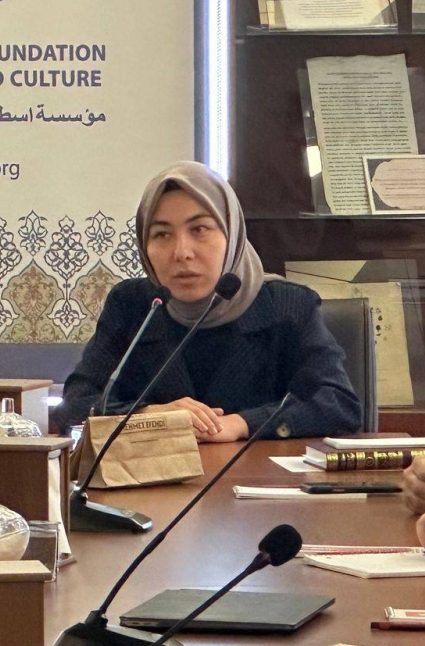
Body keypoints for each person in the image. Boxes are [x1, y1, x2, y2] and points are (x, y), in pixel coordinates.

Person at [55, 161, 360, 441]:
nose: (182, 252)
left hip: (256, 478)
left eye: (199, 230)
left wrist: (242, 424)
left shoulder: (287, 305)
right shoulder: (133, 305)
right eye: (162, 234)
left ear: (231, 233)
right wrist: (149, 416)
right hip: (158, 480)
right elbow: (74, 406)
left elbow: (339, 405)